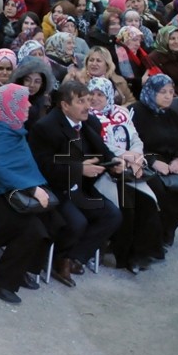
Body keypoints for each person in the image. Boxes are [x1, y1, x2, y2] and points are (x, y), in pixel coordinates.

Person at [0, 84, 57, 305]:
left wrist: (33, 187)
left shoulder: (14, 129)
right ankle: (2, 281)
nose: (28, 105)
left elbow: (20, 166)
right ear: (10, 106)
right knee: (31, 229)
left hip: (6, 192)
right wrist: (32, 189)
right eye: (23, 102)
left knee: (53, 219)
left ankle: (22, 268)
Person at [28, 80, 123, 287]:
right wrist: (79, 168)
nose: (88, 105)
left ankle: (73, 257)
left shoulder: (90, 123)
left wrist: (114, 162)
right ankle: (59, 258)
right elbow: (44, 167)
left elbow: (102, 151)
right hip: (55, 188)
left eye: (88, 100)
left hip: (81, 187)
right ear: (65, 105)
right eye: (81, 101)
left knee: (112, 215)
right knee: (77, 222)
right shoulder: (45, 128)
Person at [85, 77, 162, 272]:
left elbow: (136, 138)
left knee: (148, 201)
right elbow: (100, 145)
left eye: (100, 95)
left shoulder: (121, 113)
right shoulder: (88, 117)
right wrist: (125, 156)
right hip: (105, 170)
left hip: (129, 169)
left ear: (109, 97)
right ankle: (124, 256)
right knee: (127, 205)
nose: (94, 98)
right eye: (91, 94)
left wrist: (136, 157)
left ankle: (140, 253)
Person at [130, 73, 178, 249]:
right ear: (151, 92)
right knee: (160, 190)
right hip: (145, 163)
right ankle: (156, 236)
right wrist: (152, 161)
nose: (168, 96)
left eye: (171, 92)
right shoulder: (136, 112)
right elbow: (131, 144)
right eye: (163, 92)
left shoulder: (172, 114)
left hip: (171, 163)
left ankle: (170, 227)